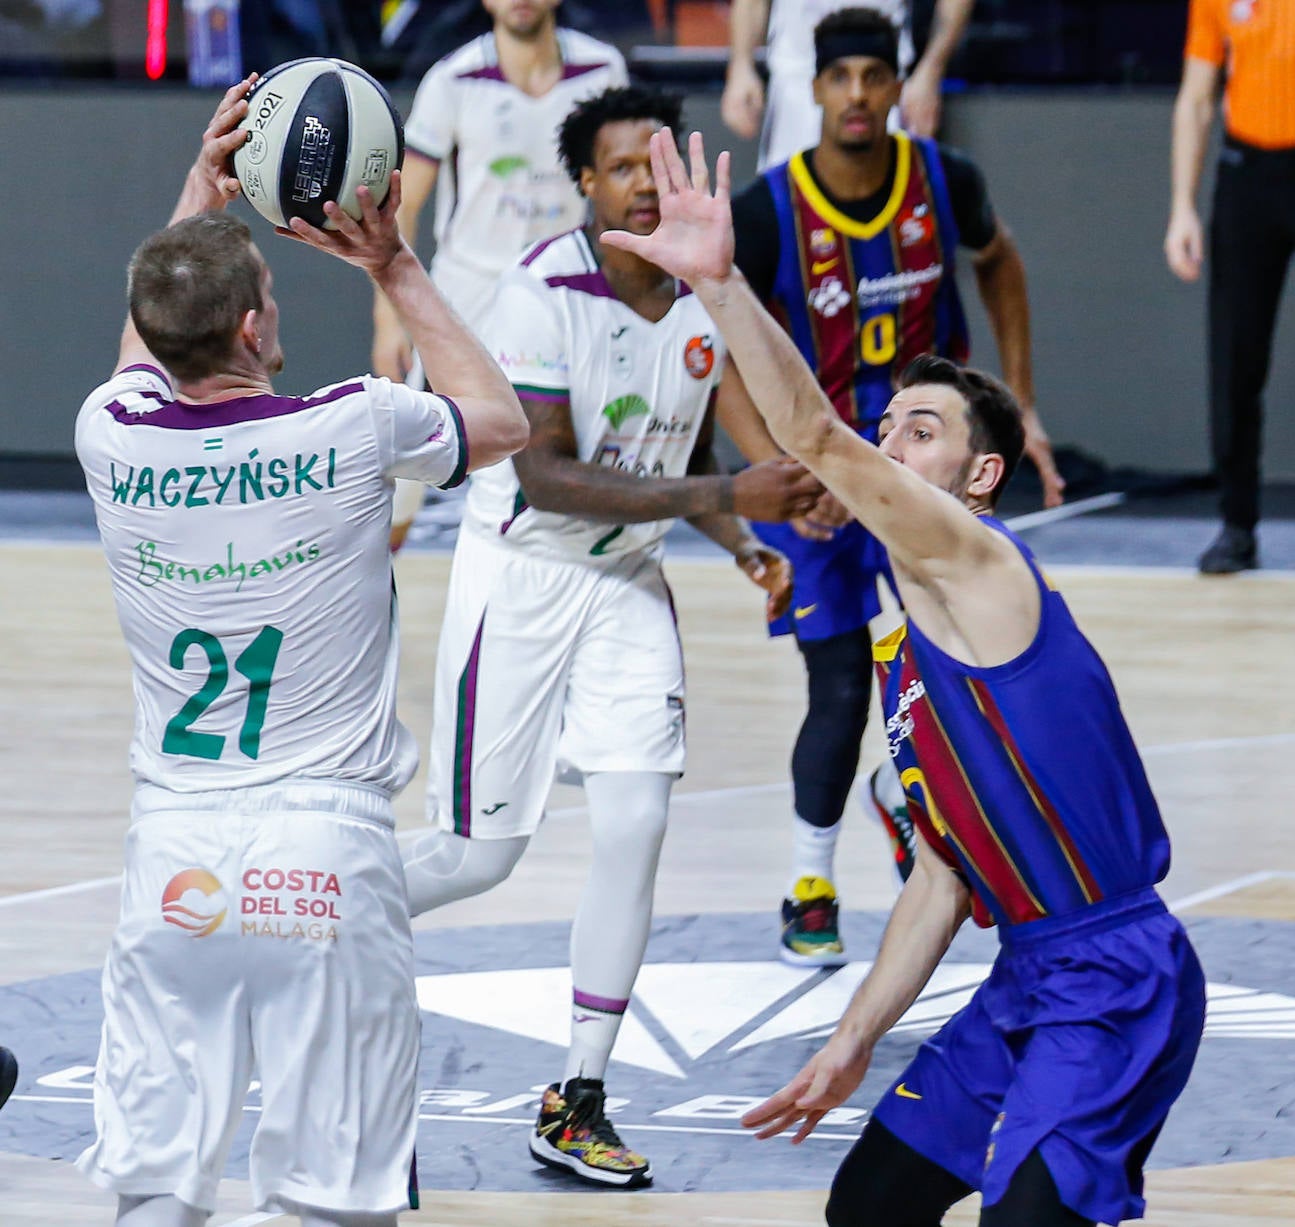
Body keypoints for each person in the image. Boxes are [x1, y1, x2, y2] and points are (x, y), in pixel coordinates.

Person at [604, 125, 1207, 1227]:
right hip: (1029, 974)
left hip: (1116, 979)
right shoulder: (907, 650)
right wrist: (852, 1040)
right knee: (867, 1207)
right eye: (889, 425)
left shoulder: (981, 564)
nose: (888, 446)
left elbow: (815, 435)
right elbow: (940, 882)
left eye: (917, 432)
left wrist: (725, 287)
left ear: (982, 474)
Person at [73, 79, 528, 1227]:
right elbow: (505, 422)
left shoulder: (107, 436)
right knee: (330, 1203)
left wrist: (199, 191)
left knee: (156, 1193)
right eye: (264, 294)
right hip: (322, 856)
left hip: (170, 860)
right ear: (253, 329)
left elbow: (151, 328)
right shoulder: (356, 422)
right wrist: (394, 267)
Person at [400, 85, 819, 1189]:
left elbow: (705, 447)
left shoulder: (699, 295)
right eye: (622, 166)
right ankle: (314, 919)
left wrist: (744, 543)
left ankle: (576, 1095)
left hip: (628, 581)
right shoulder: (539, 295)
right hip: (524, 579)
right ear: (585, 186)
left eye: (657, 161)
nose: (644, 180)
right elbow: (542, 476)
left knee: (636, 817)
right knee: (477, 858)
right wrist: (731, 495)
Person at [725, 6, 1062, 966]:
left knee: (958, 666)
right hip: (824, 481)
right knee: (836, 686)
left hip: (928, 480)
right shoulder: (767, 208)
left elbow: (1000, 265)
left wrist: (1021, 403)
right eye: (843, 78)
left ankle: (928, 821)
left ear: (898, 82)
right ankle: (811, 880)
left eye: (877, 75)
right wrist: (784, 474)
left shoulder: (944, 181)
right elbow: (721, 360)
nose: (861, 94)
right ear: (817, 89)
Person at [372, 0, 626, 547]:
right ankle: (374, 576)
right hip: (468, 288)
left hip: (562, 289)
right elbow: (404, 204)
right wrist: (388, 321)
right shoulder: (453, 78)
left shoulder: (603, 71)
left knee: (568, 449)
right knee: (406, 461)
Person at [1165, 0, 1295, 574]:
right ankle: (1236, 526)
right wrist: (1183, 207)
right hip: (1248, 180)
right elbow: (1197, 97)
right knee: (1235, 359)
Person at [721, 0, 974, 169]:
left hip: (882, 75)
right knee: (790, 219)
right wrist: (741, 64)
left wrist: (931, 70)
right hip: (795, 79)